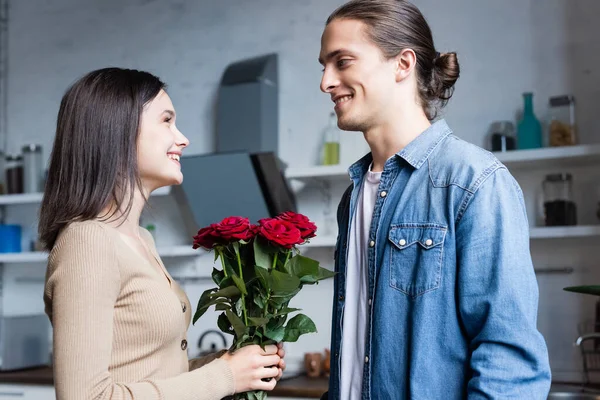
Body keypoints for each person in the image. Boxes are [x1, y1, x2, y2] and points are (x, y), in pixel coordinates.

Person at [317, 1, 551, 399]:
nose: (326, 81)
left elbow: (509, 362)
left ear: (403, 64)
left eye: (343, 62)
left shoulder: (474, 182)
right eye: (323, 66)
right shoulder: (353, 195)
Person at [40, 67, 285, 400]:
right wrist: (225, 376)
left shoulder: (141, 240)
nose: (182, 139)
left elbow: (153, 373)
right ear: (119, 130)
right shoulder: (88, 242)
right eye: (166, 120)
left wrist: (235, 364)